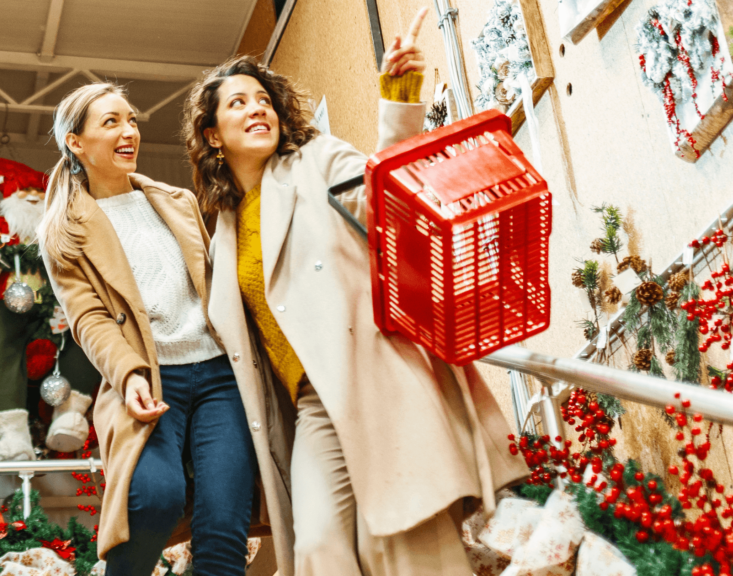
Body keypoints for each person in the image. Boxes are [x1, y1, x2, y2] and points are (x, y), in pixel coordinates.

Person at [182, 9, 528, 575]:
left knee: (405, 547)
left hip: (374, 380)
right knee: (316, 549)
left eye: (263, 99)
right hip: (311, 406)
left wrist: (398, 100)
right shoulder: (222, 232)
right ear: (212, 135)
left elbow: (382, 196)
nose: (257, 108)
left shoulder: (316, 162)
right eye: (238, 103)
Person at [37, 83, 286, 576]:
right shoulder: (63, 230)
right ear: (76, 143)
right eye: (110, 122)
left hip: (219, 376)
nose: (129, 131)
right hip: (148, 379)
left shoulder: (175, 201)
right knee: (155, 497)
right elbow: (90, 319)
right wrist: (128, 375)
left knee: (225, 522)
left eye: (131, 120)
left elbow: (216, 284)